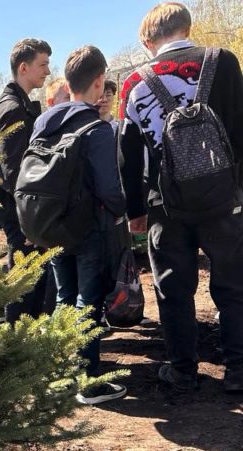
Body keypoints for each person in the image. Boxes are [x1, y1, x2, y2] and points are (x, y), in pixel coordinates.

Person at [119, 1, 243, 392]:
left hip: (164, 202)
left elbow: (128, 151)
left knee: (173, 288)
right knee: (234, 283)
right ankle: (238, 370)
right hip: (224, 199)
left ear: (147, 40)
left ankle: (183, 370)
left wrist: (135, 211)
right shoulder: (222, 61)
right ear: (187, 27)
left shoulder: (133, 82)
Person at [31, 45, 128, 405]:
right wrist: (122, 211)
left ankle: (61, 372)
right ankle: (86, 381)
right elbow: (109, 187)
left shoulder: (45, 120)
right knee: (88, 302)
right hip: (88, 227)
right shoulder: (96, 128)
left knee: (63, 296)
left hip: (52, 224)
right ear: (100, 81)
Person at [0, 38, 57, 323]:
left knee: (32, 278)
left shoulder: (18, 104)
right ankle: (17, 347)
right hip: (22, 213)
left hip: (24, 210)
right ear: (23, 67)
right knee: (24, 281)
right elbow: (15, 172)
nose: (48, 71)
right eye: (42, 64)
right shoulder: (12, 109)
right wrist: (30, 221)